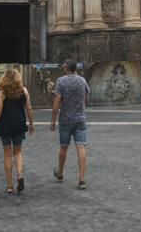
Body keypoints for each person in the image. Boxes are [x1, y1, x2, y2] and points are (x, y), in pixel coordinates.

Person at [0, 68, 35, 194]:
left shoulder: (2, 92)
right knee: (18, 151)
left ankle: (9, 186)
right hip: (19, 125)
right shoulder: (24, 91)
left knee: (7, 154)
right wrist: (31, 124)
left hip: (5, 126)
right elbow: (29, 109)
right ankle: (20, 175)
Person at [50, 60, 90, 189]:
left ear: (66, 68)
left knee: (63, 147)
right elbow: (86, 99)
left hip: (65, 119)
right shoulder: (82, 80)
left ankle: (60, 173)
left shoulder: (61, 81)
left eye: (64, 65)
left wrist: (53, 120)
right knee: (81, 147)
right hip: (80, 119)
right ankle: (82, 179)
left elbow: (57, 101)